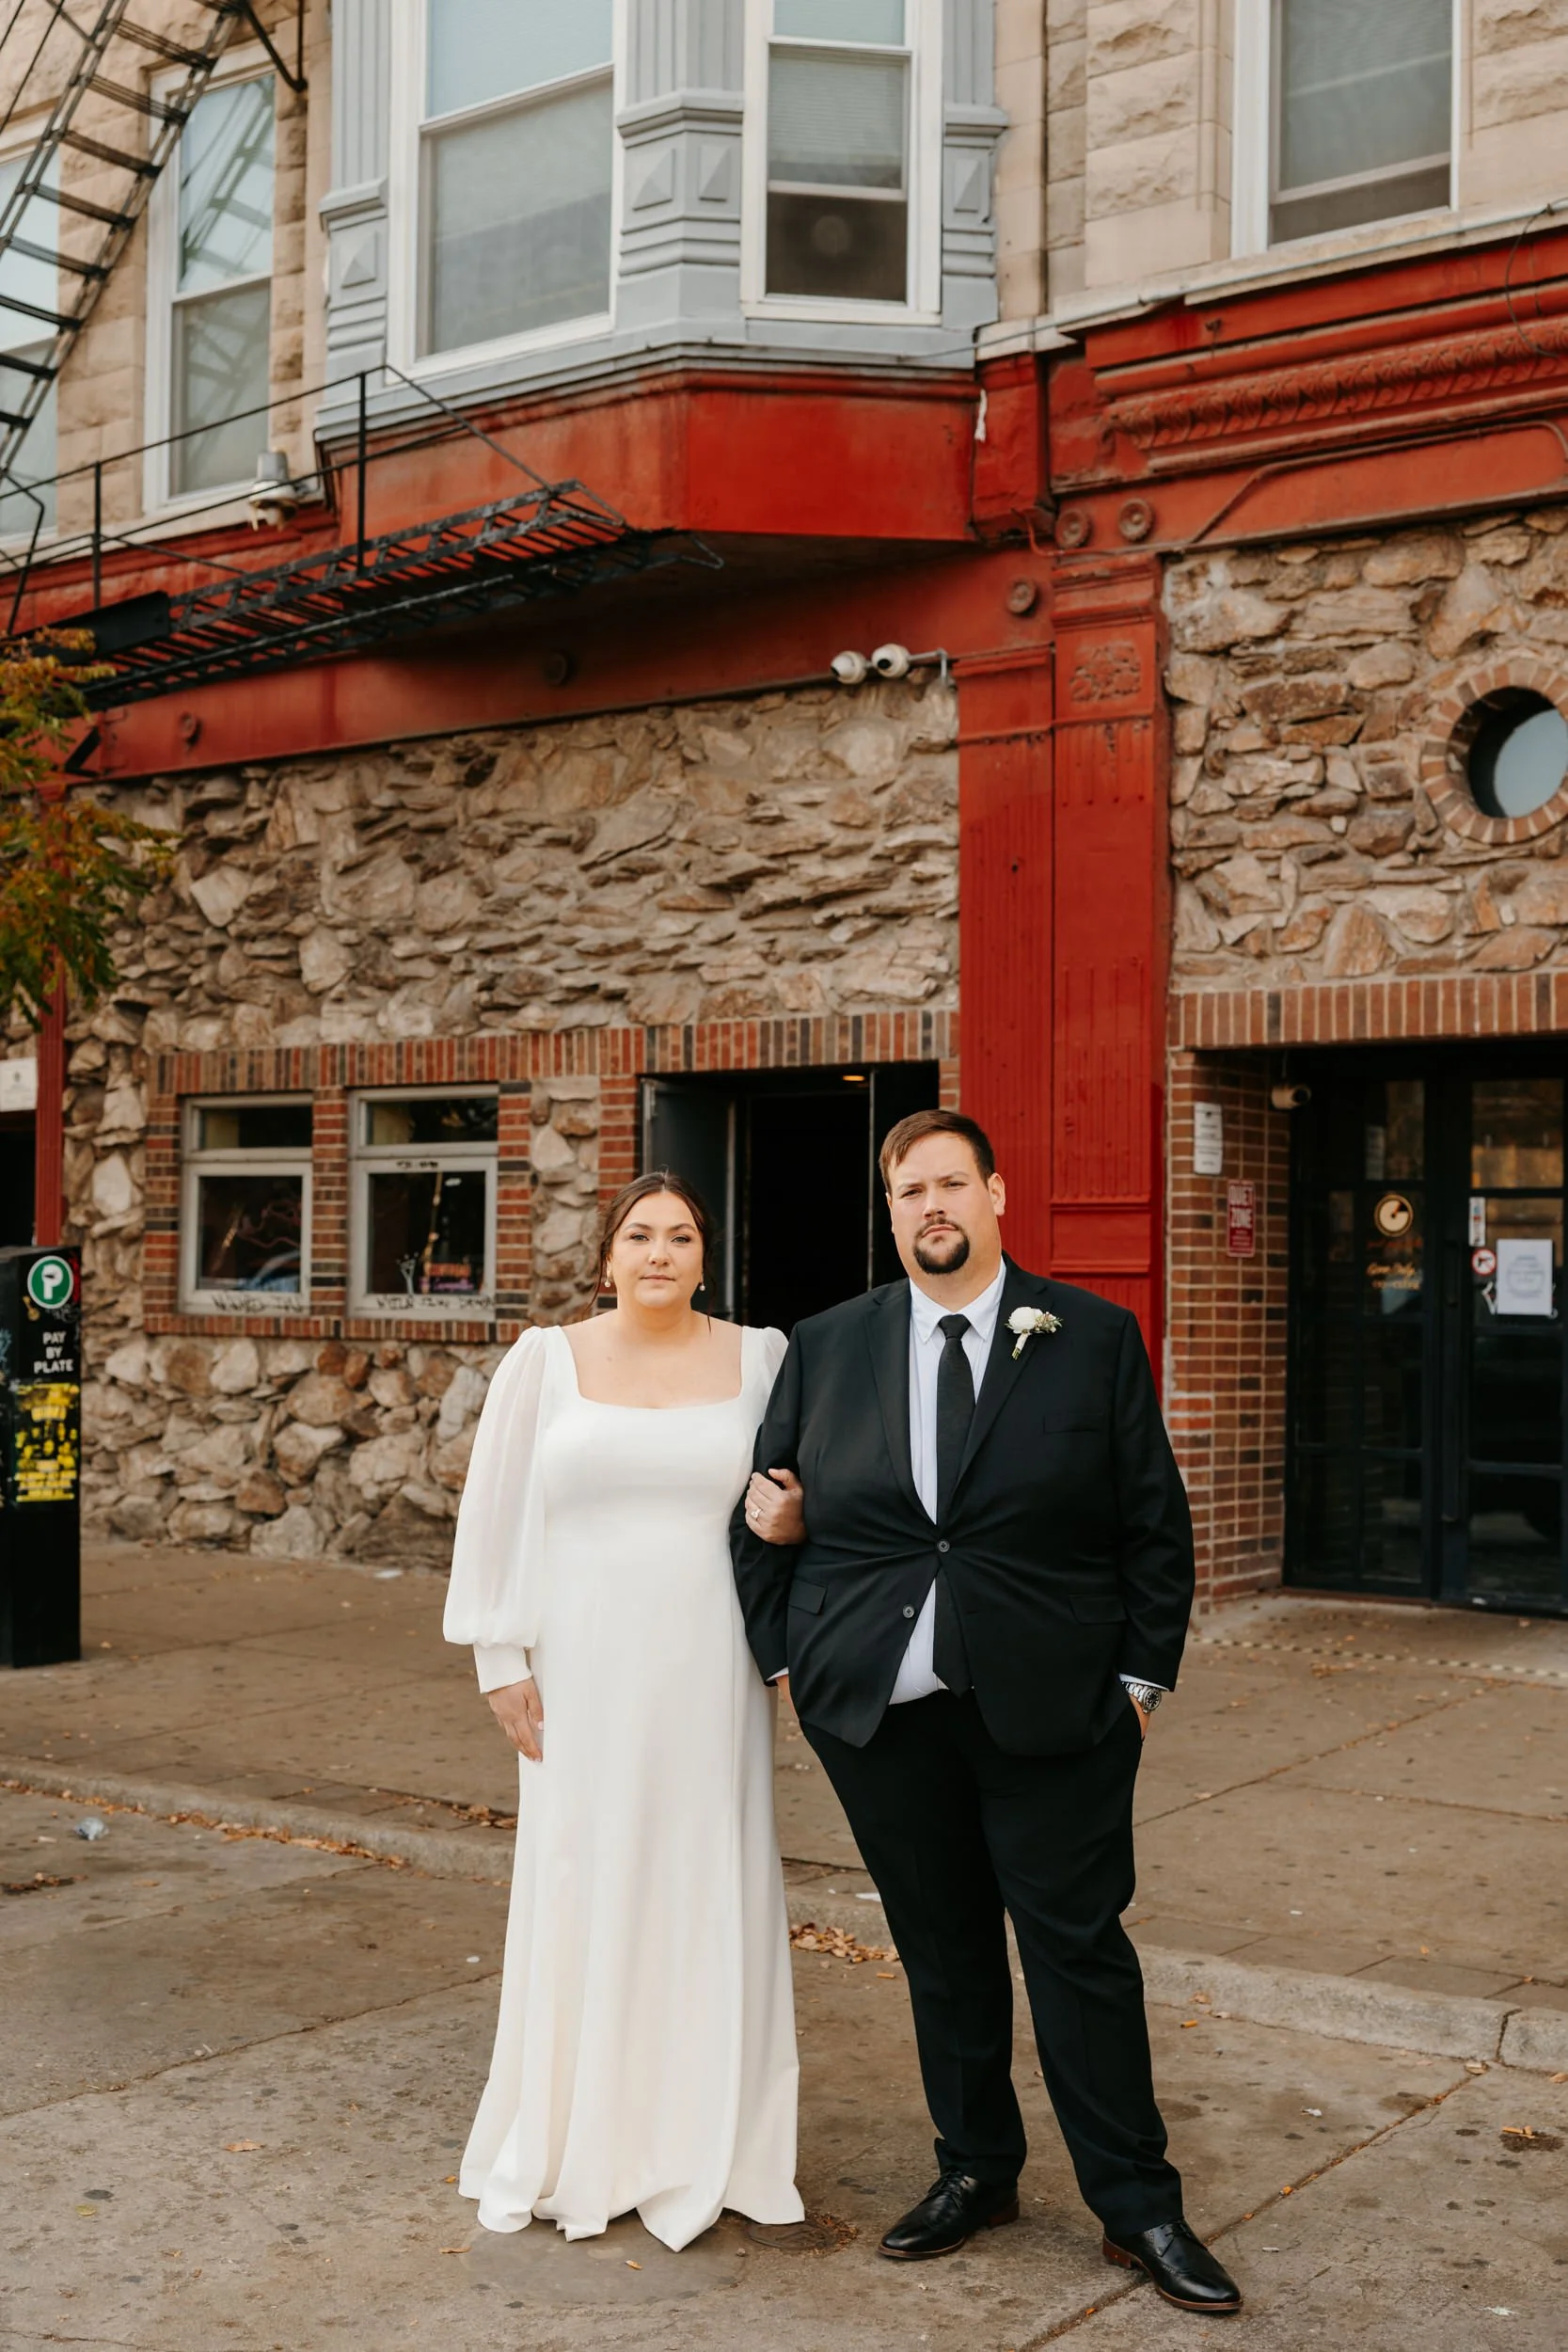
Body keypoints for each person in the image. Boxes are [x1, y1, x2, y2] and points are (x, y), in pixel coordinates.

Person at [733, 1108, 1241, 2316]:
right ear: (890, 1207)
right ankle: (975, 2171)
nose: (929, 1207)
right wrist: (791, 1669)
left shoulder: (1090, 1336)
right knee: (944, 1956)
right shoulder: (827, 1342)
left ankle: (1139, 2206)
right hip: (882, 1716)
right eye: (906, 1190)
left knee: (1077, 1955)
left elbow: (1149, 1529)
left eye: (949, 1183)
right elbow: (764, 1513)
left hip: (1056, 1711)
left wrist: (1138, 1684)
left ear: (996, 1194)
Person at [444, 1171, 803, 2249]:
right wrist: (499, 1655)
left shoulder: (763, 1356)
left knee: (706, 1878)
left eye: (680, 1235)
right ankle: (576, 2137)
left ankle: (709, 2142)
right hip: (579, 1668)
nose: (659, 1252)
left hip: (711, 1664)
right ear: (607, 1257)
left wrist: (793, 1525)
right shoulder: (542, 1361)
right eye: (639, 1235)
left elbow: (803, 1493)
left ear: (704, 1255)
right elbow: (496, 1511)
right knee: (581, 1878)